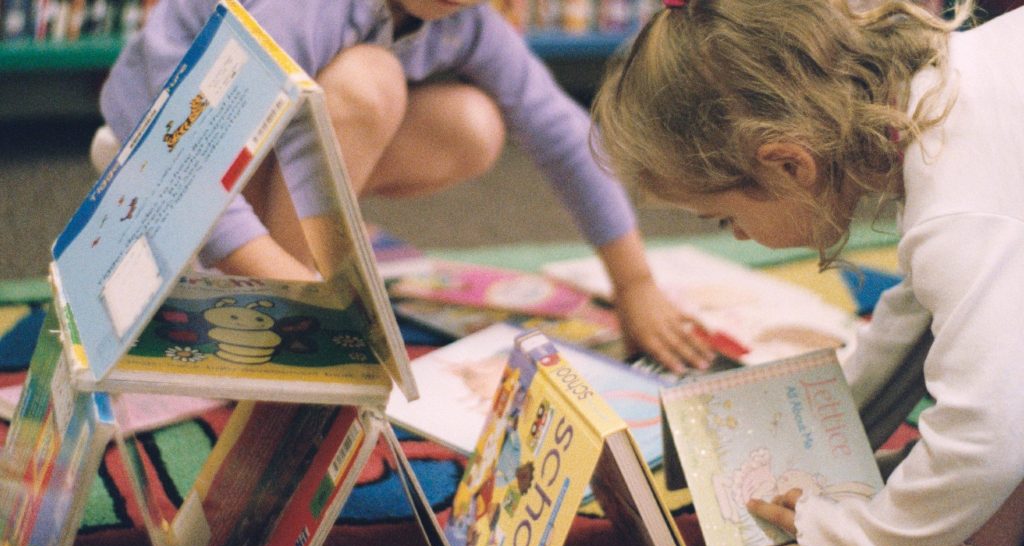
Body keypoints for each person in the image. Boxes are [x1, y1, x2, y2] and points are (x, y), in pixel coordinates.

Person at [590, 0, 1024, 546]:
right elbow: (926, 313)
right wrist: (830, 443)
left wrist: (858, 545)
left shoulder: (957, 209)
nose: (736, 234)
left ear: (788, 164)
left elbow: (991, 438)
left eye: (724, 216)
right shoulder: (943, 108)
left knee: (994, 419)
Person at [92, 0, 718, 373]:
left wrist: (634, 282)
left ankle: (293, 251)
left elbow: (557, 129)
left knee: (473, 124)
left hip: (255, 148)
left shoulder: (461, 19)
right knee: (369, 81)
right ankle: (286, 280)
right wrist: (296, 298)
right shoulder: (304, 10)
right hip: (158, 154)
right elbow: (190, 151)